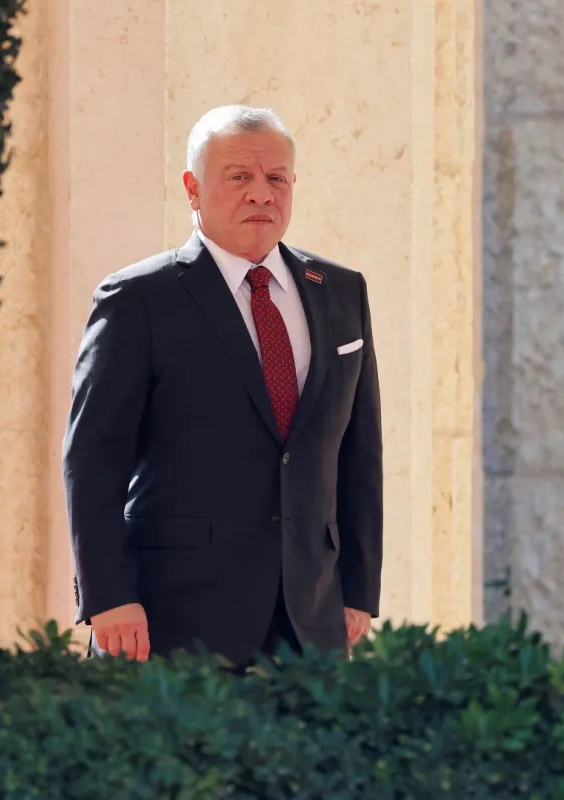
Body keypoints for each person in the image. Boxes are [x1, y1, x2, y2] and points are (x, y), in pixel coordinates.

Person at [62, 105, 382, 669]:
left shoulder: (340, 291)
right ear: (193, 188)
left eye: (275, 179)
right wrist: (108, 596)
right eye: (239, 177)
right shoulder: (138, 299)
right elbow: (92, 460)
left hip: (310, 619)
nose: (261, 193)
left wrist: (357, 590)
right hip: (170, 616)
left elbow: (360, 453)